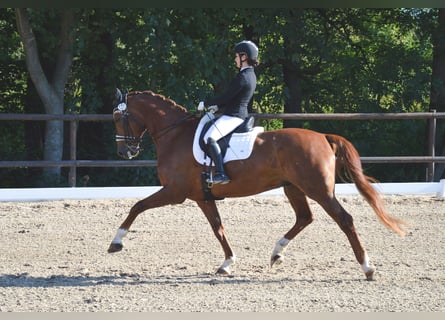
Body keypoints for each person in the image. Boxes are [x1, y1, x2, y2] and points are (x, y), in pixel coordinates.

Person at [198, 40, 259, 184]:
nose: (235, 59)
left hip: (234, 116)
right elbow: (233, 97)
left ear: (244, 57)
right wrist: (217, 107)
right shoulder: (249, 75)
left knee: (209, 138)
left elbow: (226, 96)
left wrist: (206, 104)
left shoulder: (243, 77)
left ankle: (221, 173)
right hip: (235, 113)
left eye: (237, 56)